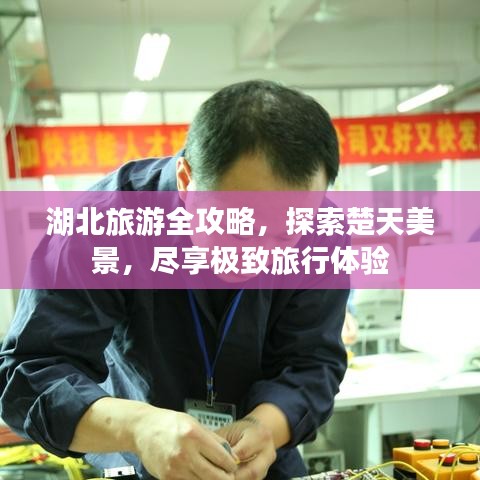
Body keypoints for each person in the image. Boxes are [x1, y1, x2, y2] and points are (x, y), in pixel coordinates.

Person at [0, 80, 349, 480]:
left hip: (256, 460)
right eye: (240, 230)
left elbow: (311, 362)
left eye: (286, 236)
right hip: (137, 454)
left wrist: (264, 427)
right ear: (186, 180)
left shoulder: (320, 228)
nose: (260, 255)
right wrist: (138, 428)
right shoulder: (104, 222)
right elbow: (30, 373)